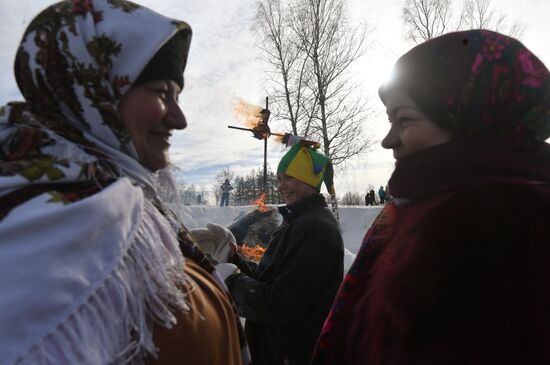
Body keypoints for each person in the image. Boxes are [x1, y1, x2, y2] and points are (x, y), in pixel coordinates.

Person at [0, 1, 249, 364]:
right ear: (93, 90)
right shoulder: (56, 225)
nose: (179, 120)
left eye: (177, 96)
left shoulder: (117, 199)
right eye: (162, 93)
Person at [312, 29, 550, 364]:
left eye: (405, 119)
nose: (388, 140)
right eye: (390, 121)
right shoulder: (412, 215)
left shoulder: (502, 239)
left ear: (472, 120)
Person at [194, 141, 344, 364]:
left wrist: (232, 281)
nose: (281, 186)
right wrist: (235, 259)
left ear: (310, 179)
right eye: (279, 179)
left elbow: (281, 304)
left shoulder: (315, 228)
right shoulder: (299, 222)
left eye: (289, 177)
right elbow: (272, 278)